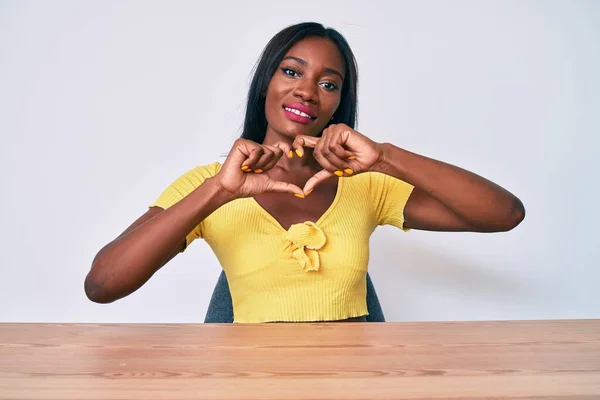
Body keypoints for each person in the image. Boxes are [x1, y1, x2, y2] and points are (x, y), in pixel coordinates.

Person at [85, 22, 525, 323]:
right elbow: (103, 284)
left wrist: (387, 157)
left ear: (339, 103)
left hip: (350, 382)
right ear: (267, 82)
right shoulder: (210, 183)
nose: (307, 90)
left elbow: (505, 214)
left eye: (329, 83)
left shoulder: (365, 182)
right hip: (248, 383)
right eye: (292, 71)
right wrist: (218, 191)